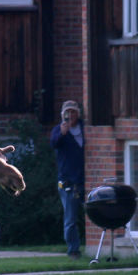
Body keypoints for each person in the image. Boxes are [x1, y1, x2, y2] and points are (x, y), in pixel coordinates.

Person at [50, 100, 85, 259]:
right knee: (70, 219)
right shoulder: (59, 130)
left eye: (73, 112)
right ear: (63, 114)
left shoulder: (85, 128)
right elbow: (54, 143)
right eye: (67, 112)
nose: (70, 115)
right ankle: (73, 250)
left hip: (84, 180)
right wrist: (63, 133)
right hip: (67, 182)